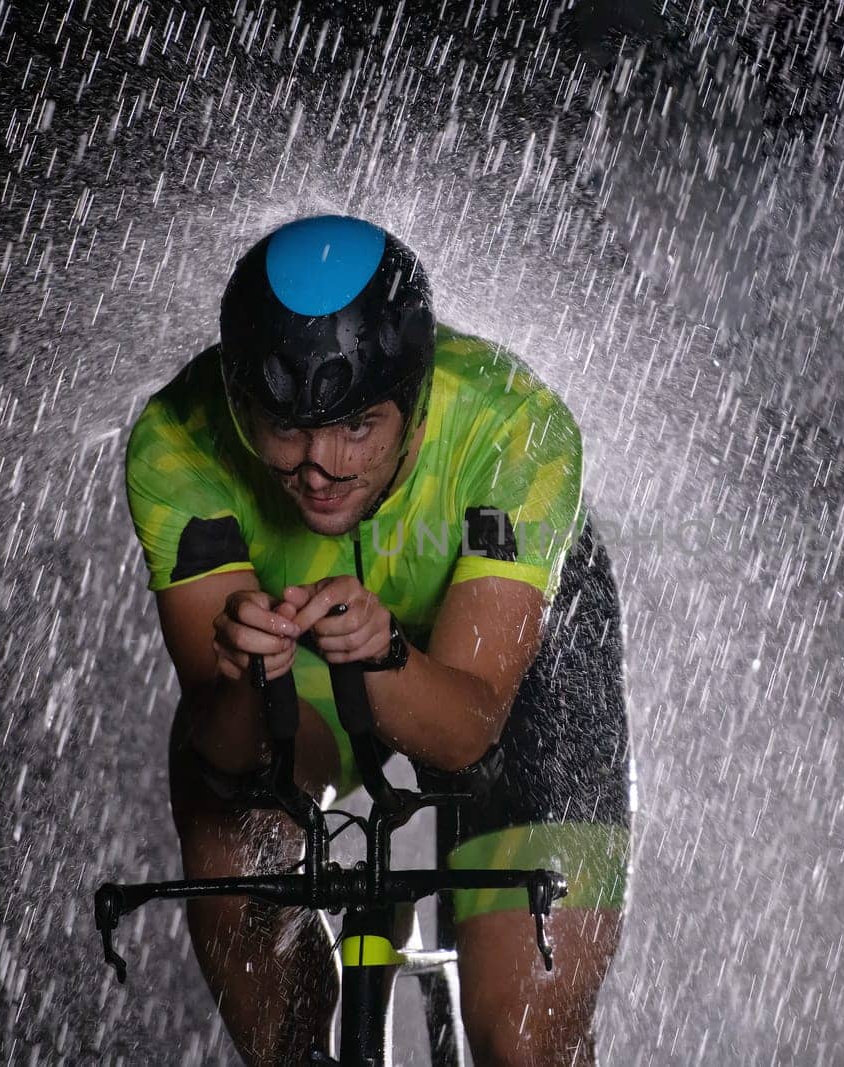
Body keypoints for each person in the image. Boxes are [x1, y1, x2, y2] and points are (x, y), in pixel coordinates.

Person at [123, 214, 633, 1065]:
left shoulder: (519, 427)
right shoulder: (178, 437)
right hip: (316, 671)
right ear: (242, 401)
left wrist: (389, 652)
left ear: (417, 400)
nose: (318, 465)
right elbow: (227, 747)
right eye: (283, 428)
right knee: (229, 821)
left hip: (510, 670)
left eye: (356, 427)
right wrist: (248, 679)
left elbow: (470, 729)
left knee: (523, 1038)